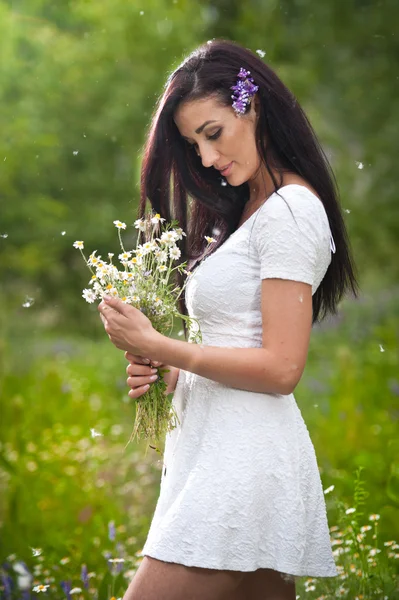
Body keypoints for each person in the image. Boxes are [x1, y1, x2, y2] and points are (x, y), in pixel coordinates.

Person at [98, 39, 358, 600]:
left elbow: (282, 367)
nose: (207, 158)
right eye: (194, 145)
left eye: (213, 133)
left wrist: (162, 345)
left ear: (253, 104)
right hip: (217, 451)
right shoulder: (250, 212)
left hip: (242, 462)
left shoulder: (291, 210)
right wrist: (164, 370)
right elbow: (236, 340)